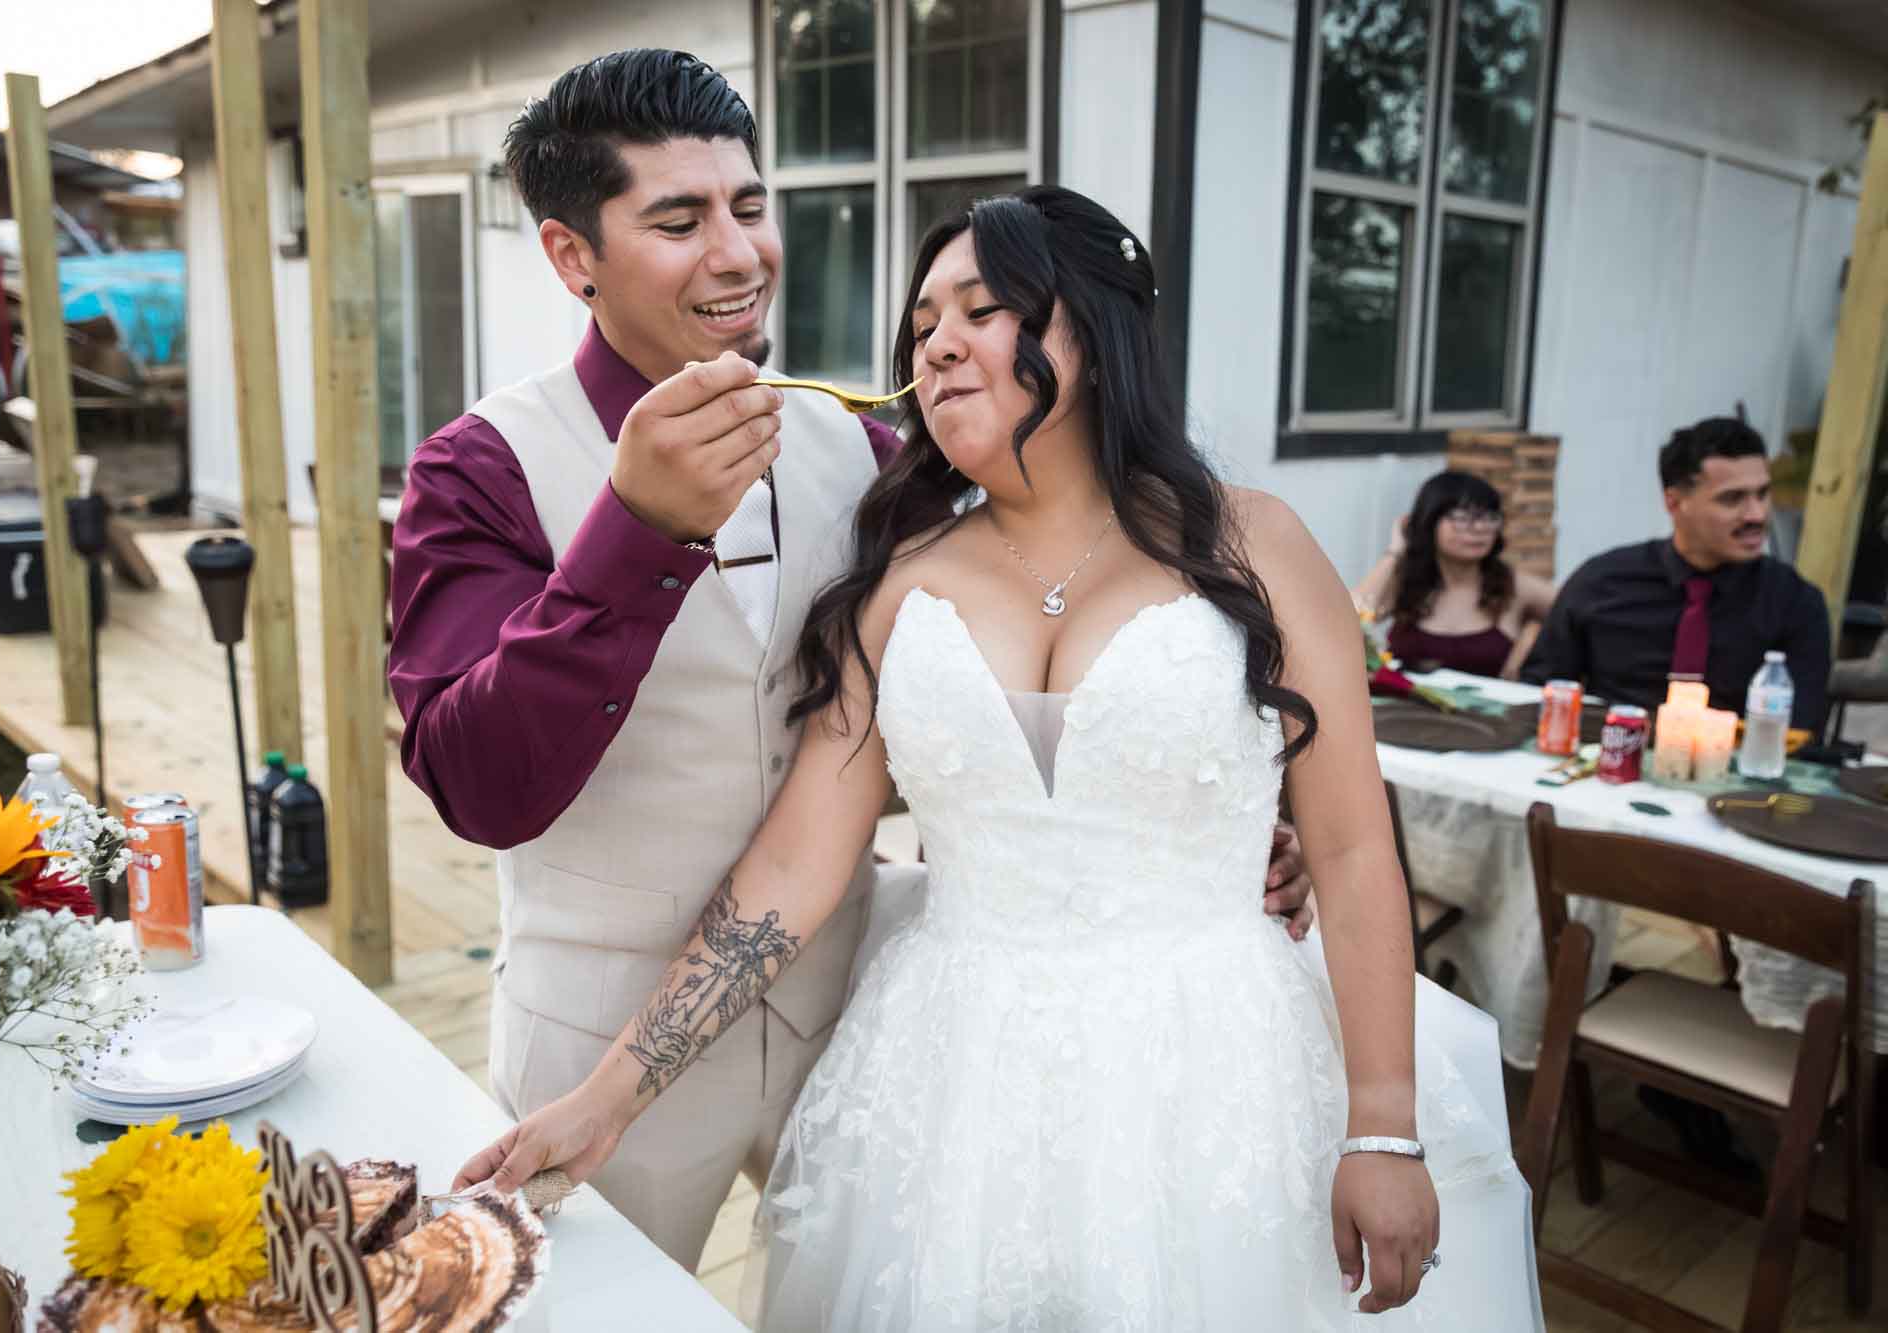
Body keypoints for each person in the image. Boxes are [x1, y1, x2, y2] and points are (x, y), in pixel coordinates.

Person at [452, 187, 1542, 1329]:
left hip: (1214, 1073)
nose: (937, 340)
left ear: (1096, 330)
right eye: (923, 320)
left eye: (984, 308)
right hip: (952, 1086)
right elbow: (789, 871)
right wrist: (609, 1096)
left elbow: (1354, 845)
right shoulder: (901, 574)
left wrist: (1379, 1121)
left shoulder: (1253, 544)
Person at [387, 50, 1317, 1274]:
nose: (736, 252)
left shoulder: (869, 449)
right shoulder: (478, 468)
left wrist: (1168, 813)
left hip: (867, 1011)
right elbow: (478, 786)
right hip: (599, 1033)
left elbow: (1016, 642)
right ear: (572, 257)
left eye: (749, 206)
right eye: (678, 219)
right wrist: (636, 536)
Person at [1521, 416, 1830, 731]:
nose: (1757, 514)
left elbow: (1801, 730)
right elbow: (1540, 691)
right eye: (1732, 499)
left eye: (1762, 494)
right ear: (1674, 502)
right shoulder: (1602, 582)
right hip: (1608, 759)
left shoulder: (1794, 602)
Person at [1350, 470, 1556, 679]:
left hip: (1487, 710)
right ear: (1430, 521)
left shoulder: (1515, 586)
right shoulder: (1405, 582)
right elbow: (1349, 620)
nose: (1479, 528)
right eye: (1463, 517)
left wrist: (1531, 637)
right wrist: (1395, 551)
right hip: (1402, 709)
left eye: (1489, 517)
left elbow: (1575, 612)